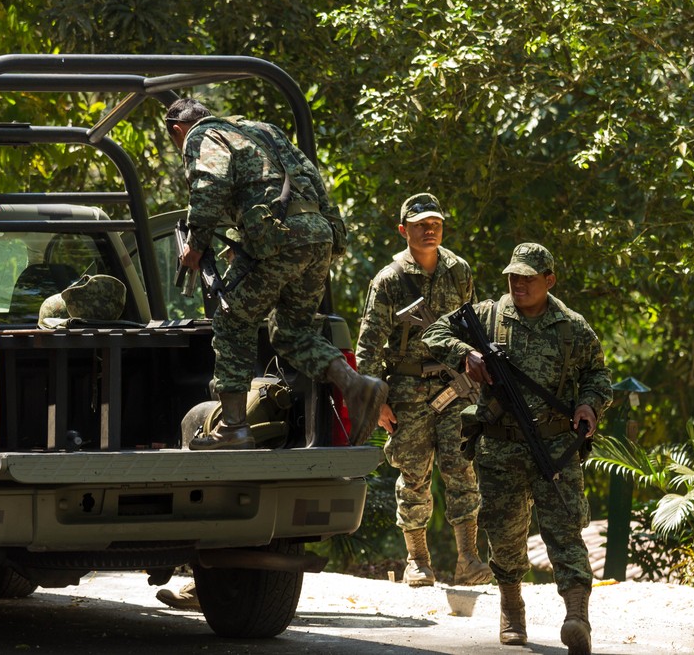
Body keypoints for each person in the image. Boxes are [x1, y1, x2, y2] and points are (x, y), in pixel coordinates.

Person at [422, 243, 613, 654]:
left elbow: (599, 375)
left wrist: (589, 404)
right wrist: (465, 353)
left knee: (565, 531)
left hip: (556, 446)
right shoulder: (489, 316)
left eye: (528, 277)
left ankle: (577, 616)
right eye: (513, 276)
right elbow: (432, 333)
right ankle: (511, 606)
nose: (519, 283)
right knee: (505, 535)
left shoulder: (573, 327)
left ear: (549, 280)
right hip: (502, 446)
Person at [168, 97, 388, 450]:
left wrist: (195, 244)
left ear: (178, 131)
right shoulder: (261, 130)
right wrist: (326, 237)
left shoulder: (201, 135)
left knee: (232, 319)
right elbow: (311, 179)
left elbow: (210, 184)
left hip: (279, 241)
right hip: (317, 237)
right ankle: (356, 386)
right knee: (291, 331)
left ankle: (234, 428)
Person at [355, 193, 492, 588]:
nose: (429, 229)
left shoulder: (458, 270)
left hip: (455, 386)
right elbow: (368, 346)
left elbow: (473, 326)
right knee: (413, 475)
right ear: (404, 231)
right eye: (420, 225)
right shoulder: (388, 280)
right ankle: (418, 562)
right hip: (407, 391)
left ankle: (468, 559)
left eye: (435, 223)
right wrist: (376, 402)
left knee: (462, 468)